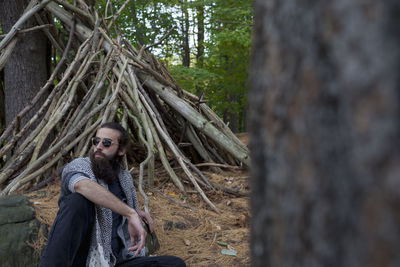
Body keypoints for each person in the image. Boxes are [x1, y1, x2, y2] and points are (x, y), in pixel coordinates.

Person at [40, 122, 186, 267]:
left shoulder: (124, 178)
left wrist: (135, 211)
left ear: (121, 150)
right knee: (78, 201)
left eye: (107, 143)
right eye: (96, 141)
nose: (99, 146)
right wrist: (130, 213)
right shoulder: (79, 166)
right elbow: (81, 185)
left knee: (175, 264)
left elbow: (116, 208)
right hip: (84, 260)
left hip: (115, 260)